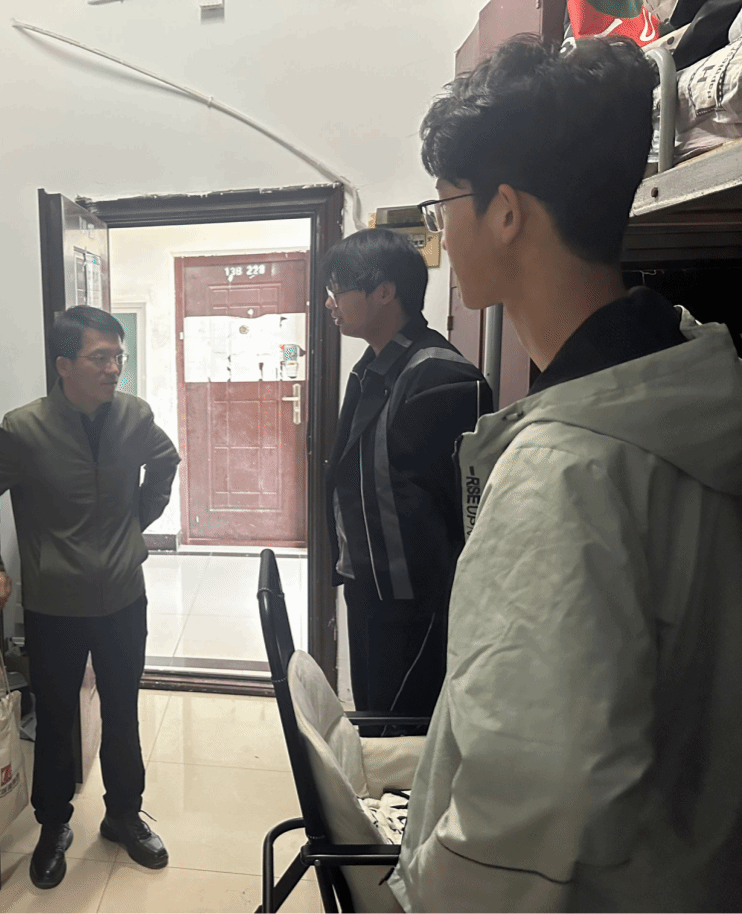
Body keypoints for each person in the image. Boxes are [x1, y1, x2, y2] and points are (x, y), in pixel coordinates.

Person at [390, 36, 742, 913]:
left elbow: (524, 809)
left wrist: (420, 894)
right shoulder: (688, 378)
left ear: (505, 212)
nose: (443, 234)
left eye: (446, 206)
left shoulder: (562, 470)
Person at [0, 305, 179, 890]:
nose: (113, 369)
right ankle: (54, 825)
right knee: (56, 718)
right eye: (99, 358)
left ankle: (124, 814)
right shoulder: (24, 429)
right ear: (63, 365)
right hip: (54, 603)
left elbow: (165, 461)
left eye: (118, 357)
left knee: (123, 709)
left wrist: (136, 522)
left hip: (123, 595)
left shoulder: (134, 416)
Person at [322, 228, 491, 732]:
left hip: (416, 605)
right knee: (376, 720)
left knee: (404, 730)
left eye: (337, 290)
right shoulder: (377, 366)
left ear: (384, 291)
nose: (330, 303)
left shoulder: (439, 377)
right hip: (372, 587)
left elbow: (464, 513)